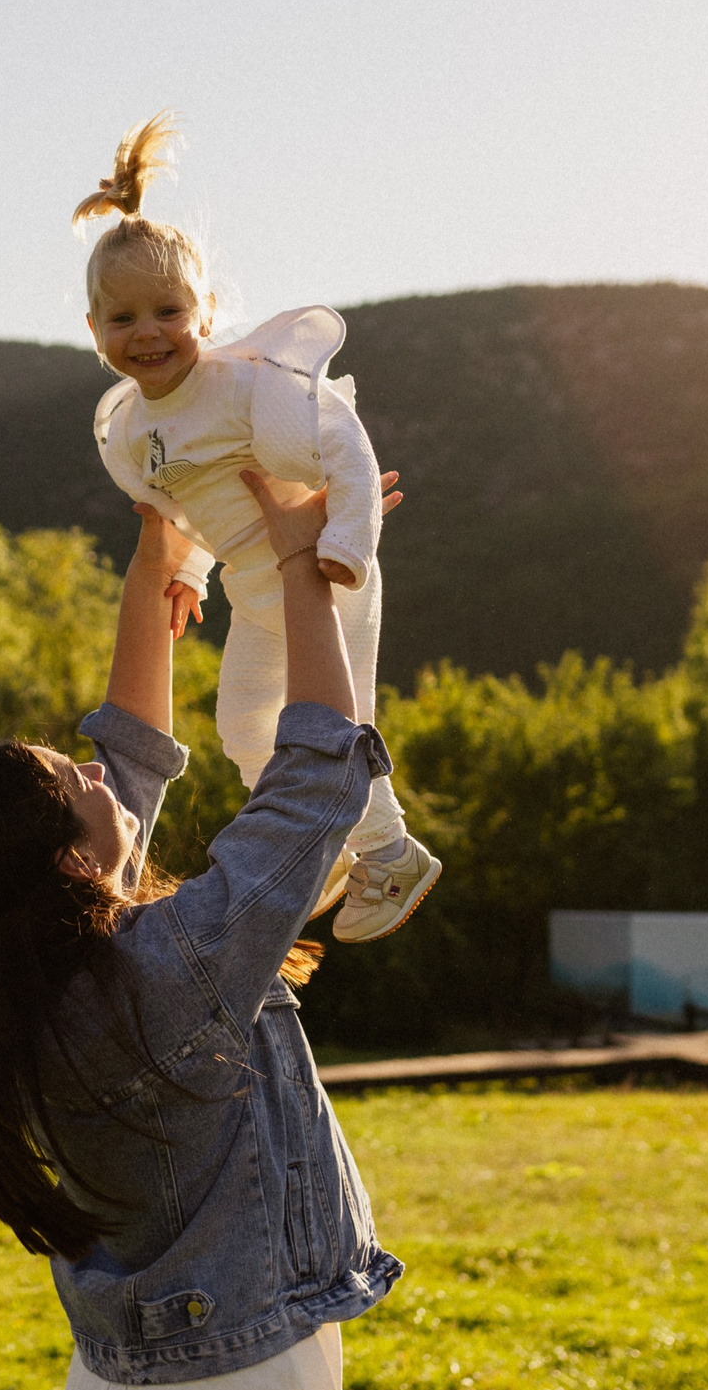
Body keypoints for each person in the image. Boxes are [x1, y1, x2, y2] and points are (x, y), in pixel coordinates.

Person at [0, 472, 422, 1390]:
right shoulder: (176, 961)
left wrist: (160, 560)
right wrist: (299, 570)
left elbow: (131, 758)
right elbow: (317, 778)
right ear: (67, 862)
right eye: (73, 781)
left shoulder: (30, 986)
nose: (97, 773)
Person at [76, 111, 438, 942]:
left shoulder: (245, 387)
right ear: (95, 331)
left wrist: (346, 543)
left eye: (167, 310)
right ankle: (322, 850)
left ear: (205, 311)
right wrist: (187, 573)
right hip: (252, 586)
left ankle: (391, 853)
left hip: (321, 570)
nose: (147, 332)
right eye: (123, 319)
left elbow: (344, 441)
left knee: (336, 725)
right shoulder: (133, 430)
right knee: (244, 725)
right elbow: (189, 507)